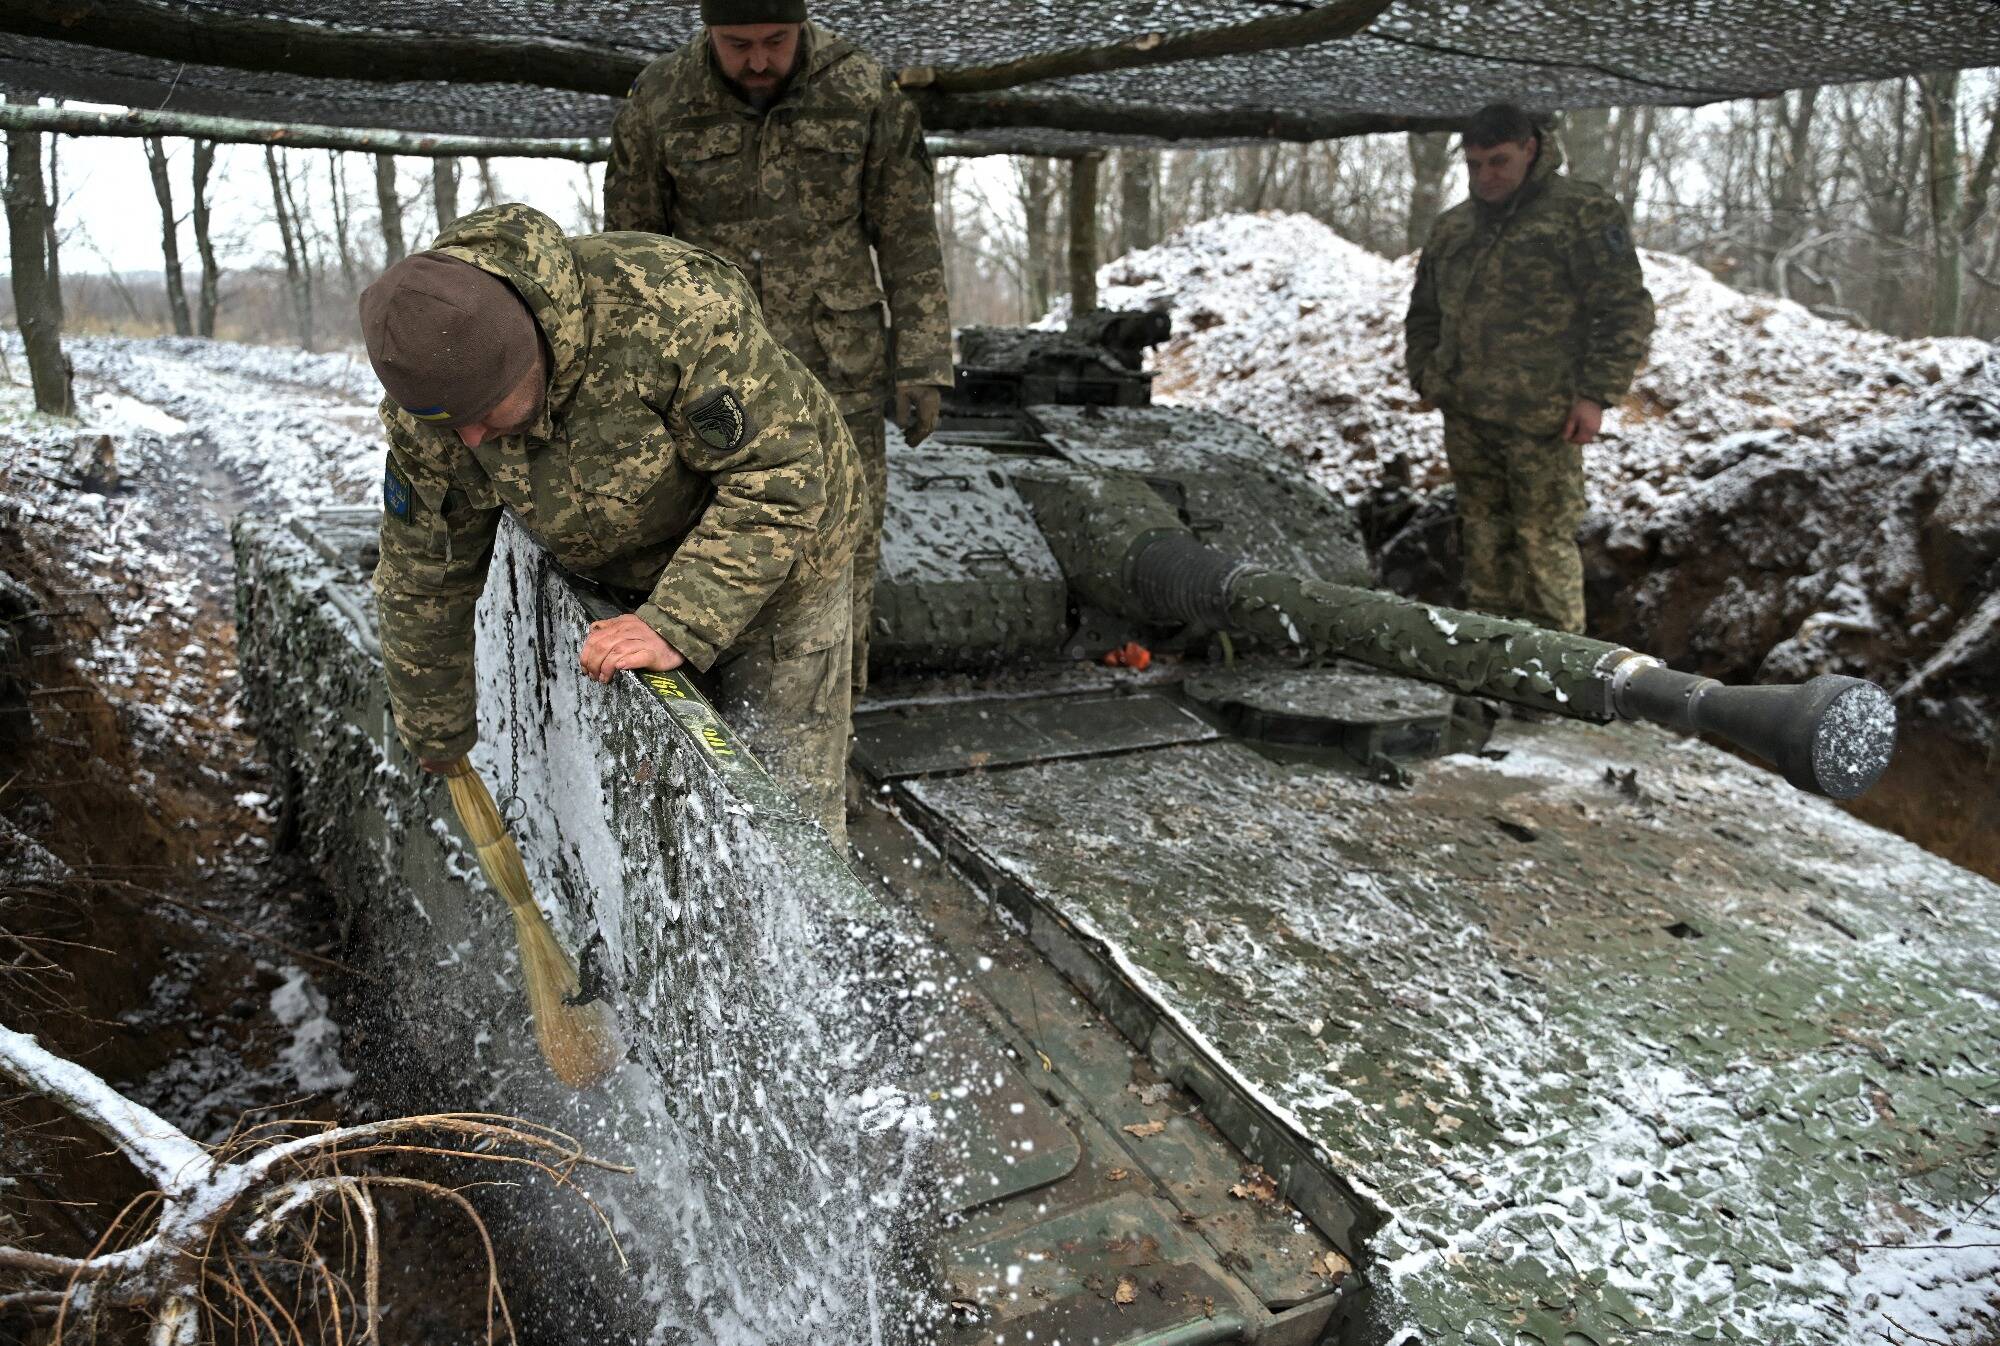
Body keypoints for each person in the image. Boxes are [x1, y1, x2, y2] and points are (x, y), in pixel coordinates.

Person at [362, 203, 864, 843]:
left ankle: (807, 937)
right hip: (631, 577)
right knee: (665, 815)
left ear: (528, 353)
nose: (471, 437)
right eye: (449, 424)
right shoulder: (435, 411)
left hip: (788, 564)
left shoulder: (670, 308)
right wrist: (435, 724)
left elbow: (778, 480)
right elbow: (424, 569)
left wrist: (678, 620)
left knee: (783, 814)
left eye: (485, 412)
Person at [604, 0, 951, 701]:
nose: (758, 60)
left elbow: (909, 236)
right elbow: (630, 255)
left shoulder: (863, 90)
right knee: (712, 548)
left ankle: (829, 736)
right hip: (710, 388)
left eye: (775, 41)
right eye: (737, 44)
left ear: (802, 25)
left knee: (842, 558)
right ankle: (720, 727)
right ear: (707, 31)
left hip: (840, 379)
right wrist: (632, 389)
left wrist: (923, 363)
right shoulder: (661, 99)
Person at [1404, 102, 1655, 633]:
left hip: (1545, 417)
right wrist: (1427, 374)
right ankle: (1489, 665)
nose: (1485, 177)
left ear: (1531, 150)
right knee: (1483, 541)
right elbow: (1423, 312)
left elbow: (1623, 308)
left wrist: (1596, 395)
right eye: (1474, 165)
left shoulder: (1580, 213)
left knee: (1543, 546)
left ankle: (1557, 685)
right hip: (1468, 414)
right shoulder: (1454, 228)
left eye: (1498, 162)